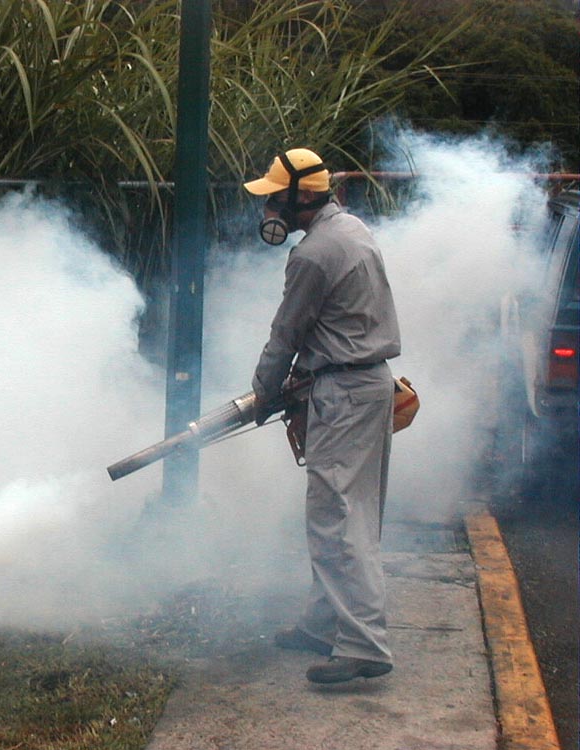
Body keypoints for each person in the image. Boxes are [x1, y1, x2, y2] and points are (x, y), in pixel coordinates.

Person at [243, 148, 401, 684]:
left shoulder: (312, 254)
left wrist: (264, 391)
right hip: (363, 381)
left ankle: (364, 645)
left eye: (274, 198)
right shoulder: (352, 228)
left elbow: (287, 330)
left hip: (345, 390)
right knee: (348, 511)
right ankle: (322, 623)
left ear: (301, 197)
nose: (269, 208)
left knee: (338, 518)